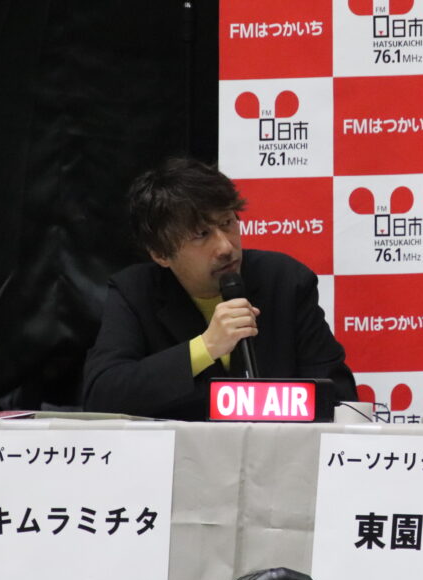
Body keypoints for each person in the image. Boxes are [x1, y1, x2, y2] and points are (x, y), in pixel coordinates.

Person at [83, 157, 356, 420]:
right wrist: (205, 347)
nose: (226, 247)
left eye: (227, 223)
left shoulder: (285, 281)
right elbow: (102, 395)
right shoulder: (135, 292)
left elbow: (339, 397)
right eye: (201, 235)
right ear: (160, 254)